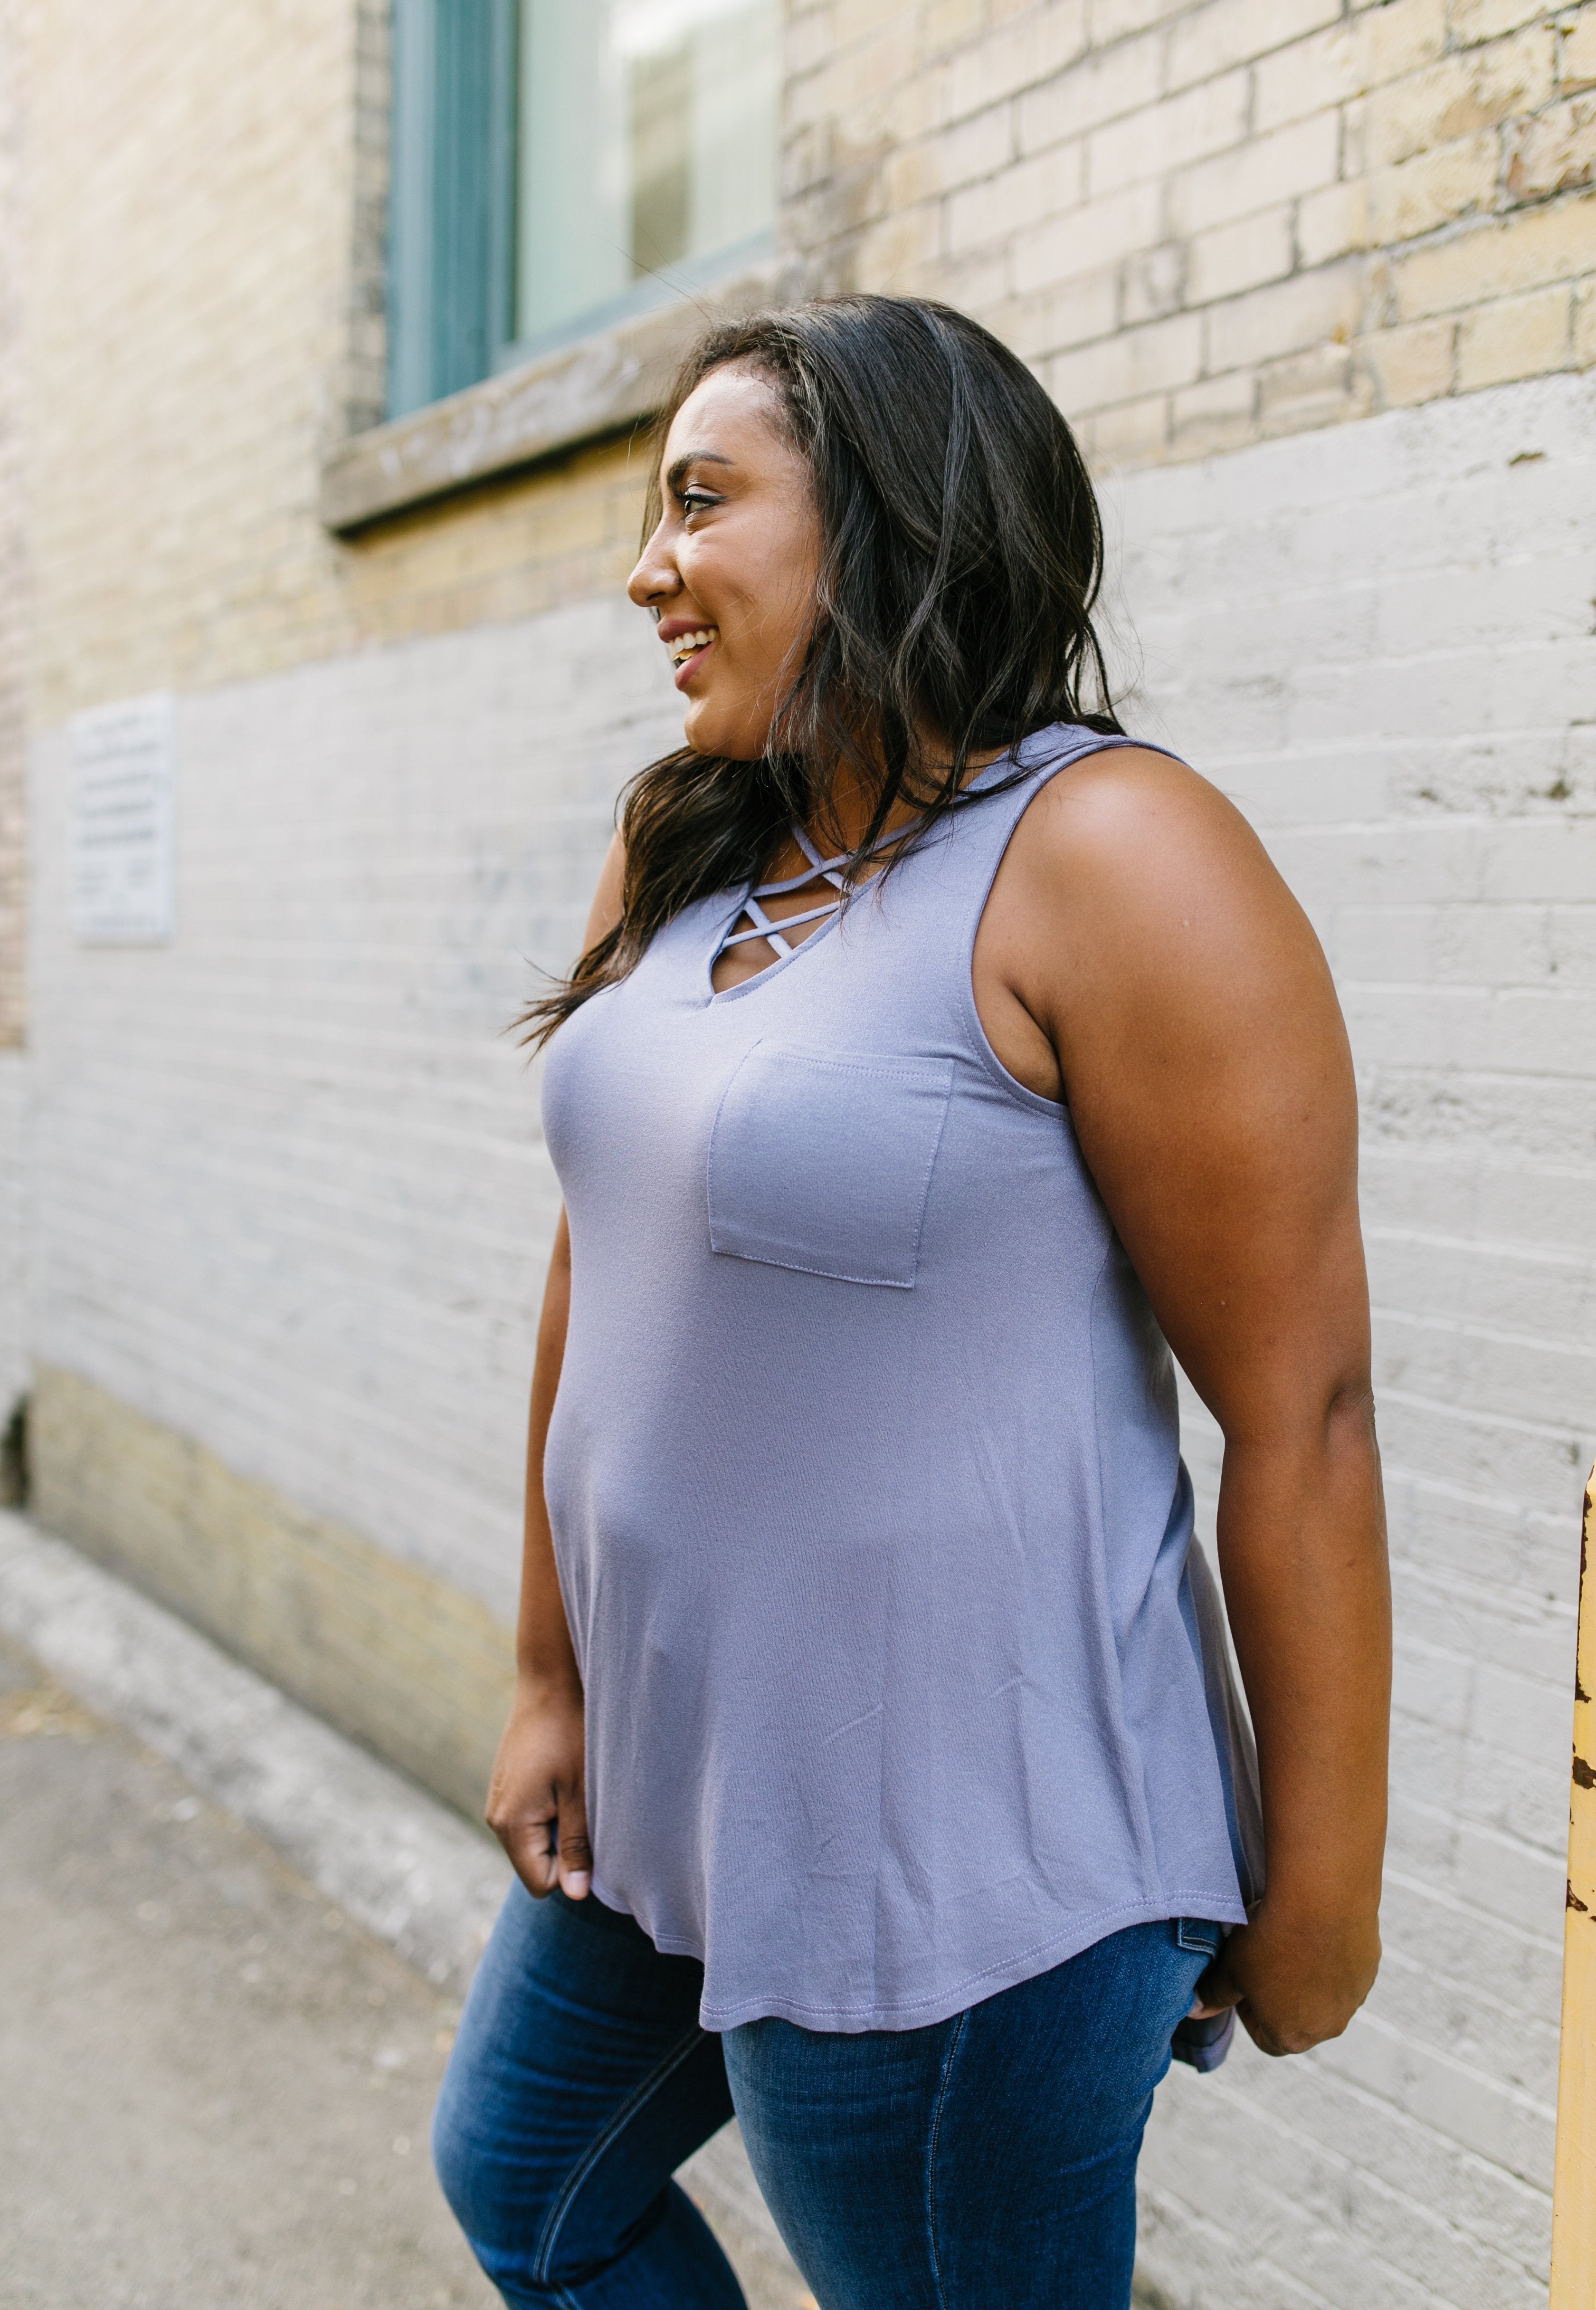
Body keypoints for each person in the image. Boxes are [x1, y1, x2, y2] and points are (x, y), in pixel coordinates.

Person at [432, 296, 1390, 2310]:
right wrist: (551, 1674)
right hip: (677, 1777)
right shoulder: (689, 838)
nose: (648, 569)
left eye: (703, 503)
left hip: (957, 1854)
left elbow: (1299, 1411)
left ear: (883, 519)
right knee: (528, 2181)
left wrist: (1325, 1892)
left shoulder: (1113, 854)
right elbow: (599, 1262)